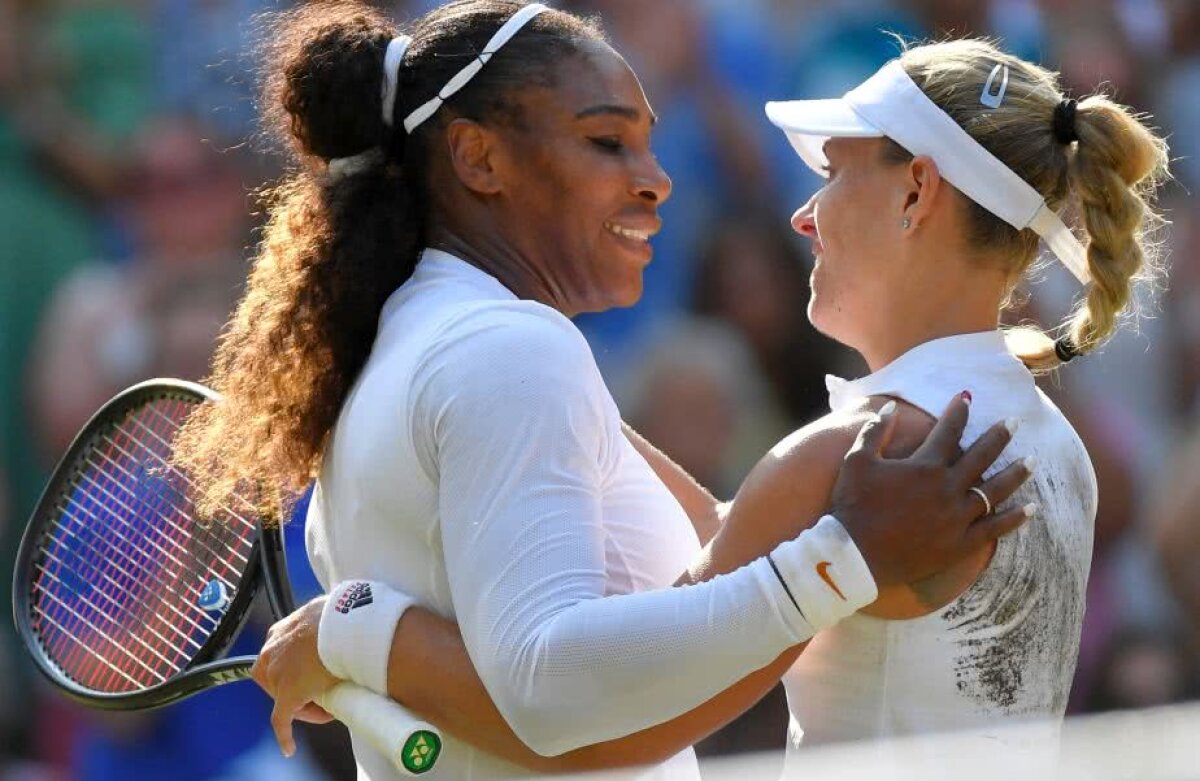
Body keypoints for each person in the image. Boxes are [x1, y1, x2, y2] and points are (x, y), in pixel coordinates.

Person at [174, 3, 1031, 779]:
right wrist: (845, 561)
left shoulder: (417, 341)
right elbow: (551, 693)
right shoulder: (505, 348)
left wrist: (350, 627)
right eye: (606, 141)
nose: (655, 179)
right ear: (479, 158)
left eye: (650, 143)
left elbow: (711, 563)